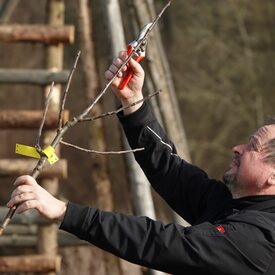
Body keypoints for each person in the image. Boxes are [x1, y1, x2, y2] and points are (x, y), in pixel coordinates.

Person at [7, 51, 275, 275]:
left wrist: (65, 212)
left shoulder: (259, 240)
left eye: (253, 146)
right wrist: (133, 103)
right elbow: (173, 172)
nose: (237, 148)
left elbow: (164, 244)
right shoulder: (235, 205)